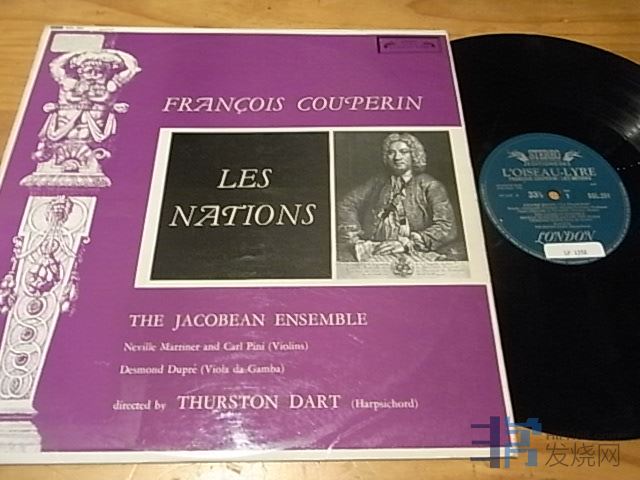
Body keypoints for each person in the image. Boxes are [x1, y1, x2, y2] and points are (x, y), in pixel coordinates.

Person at [337, 133, 458, 261]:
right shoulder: (377, 182)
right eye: (391, 153)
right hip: (375, 249)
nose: (397, 157)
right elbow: (346, 204)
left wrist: (407, 243)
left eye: (403, 152)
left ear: (414, 155)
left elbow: (447, 226)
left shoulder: (430, 185)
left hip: (414, 251)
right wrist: (354, 237)